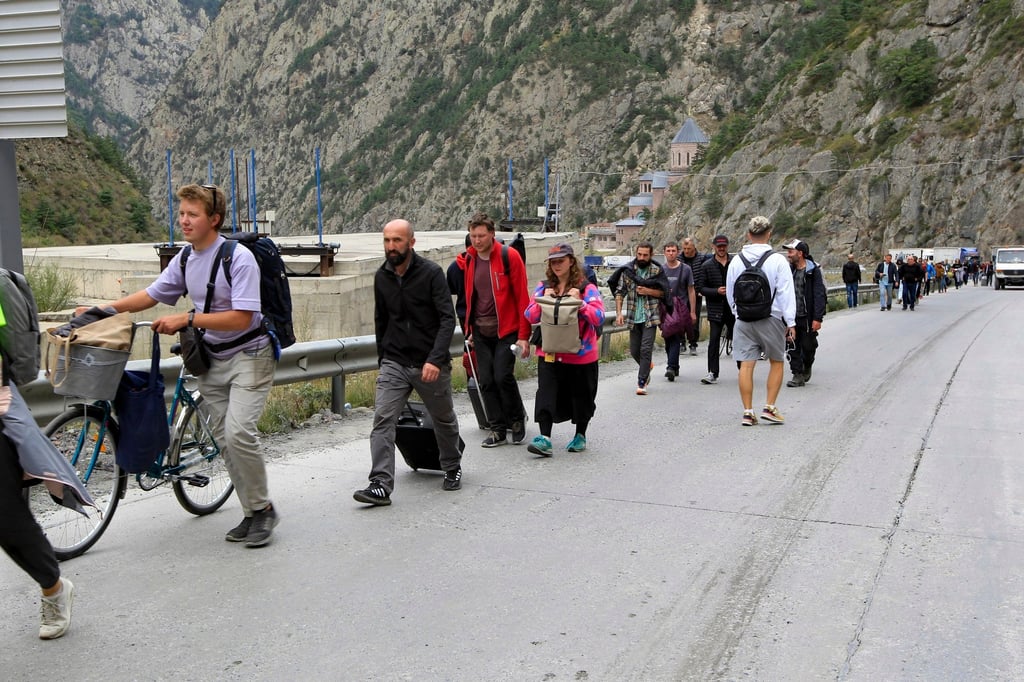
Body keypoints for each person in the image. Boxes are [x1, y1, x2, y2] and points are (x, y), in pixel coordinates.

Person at [99, 184, 279, 547]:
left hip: (250, 356)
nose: (183, 220)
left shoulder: (238, 257)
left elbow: (243, 318)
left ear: (213, 219)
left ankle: (265, 512)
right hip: (211, 360)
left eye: (192, 214)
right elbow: (151, 295)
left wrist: (189, 319)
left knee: (238, 433)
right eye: (181, 213)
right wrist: (104, 310)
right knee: (227, 443)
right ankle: (252, 511)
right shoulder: (185, 258)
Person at [354, 219, 463, 505]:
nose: (391, 246)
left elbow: (446, 319)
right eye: (387, 240)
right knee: (383, 420)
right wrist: (384, 358)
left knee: (443, 418)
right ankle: (380, 483)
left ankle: (451, 465)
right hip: (396, 362)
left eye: (397, 240)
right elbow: (382, 321)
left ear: (411, 243)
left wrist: (435, 360)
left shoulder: (431, 274)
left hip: (430, 362)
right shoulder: (382, 277)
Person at [457, 213, 531, 447]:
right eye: (473, 235)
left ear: (492, 235)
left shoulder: (509, 257)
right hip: (479, 331)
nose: (477, 240)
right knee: (485, 380)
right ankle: (497, 428)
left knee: (502, 376)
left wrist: (523, 336)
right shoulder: (470, 260)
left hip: (506, 330)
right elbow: (470, 297)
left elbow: (522, 297)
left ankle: (517, 420)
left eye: (481, 235)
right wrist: (469, 329)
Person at [523, 243, 605, 456]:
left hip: (581, 355)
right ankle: (545, 438)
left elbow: (599, 317)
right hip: (550, 353)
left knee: (582, 396)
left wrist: (581, 304)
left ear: (571, 261)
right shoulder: (543, 287)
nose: (557, 264)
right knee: (546, 393)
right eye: (553, 261)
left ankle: (580, 435)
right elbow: (529, 316)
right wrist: (543, 301)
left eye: (561, 260)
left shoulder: (587, 288)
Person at [725, 216, 795, 426]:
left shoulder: (737, 260)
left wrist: (737, 313)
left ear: (748, 235)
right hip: (770, 317)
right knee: (776, 361)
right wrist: (790, 322)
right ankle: (769, 407)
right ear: (769, 234)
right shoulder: (777, 260)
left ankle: (748, 412)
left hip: (744, 319)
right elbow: (785, 293)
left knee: (746, 366)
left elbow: (730, 292)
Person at [614, 242, 670, 395]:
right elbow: (619, 292)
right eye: (639, 254)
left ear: (651, 255)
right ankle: (647, 367)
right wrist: (619, 313)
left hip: (650, 317)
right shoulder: (628, 271)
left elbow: (664, 293)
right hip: (633, 316)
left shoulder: (657, 271)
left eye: (645, 255)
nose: (642, 257)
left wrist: (648, 291)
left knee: (645, 349)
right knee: (634, 351)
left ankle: (642, 381)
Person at [782, 239, 827, 388]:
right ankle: (797, 374)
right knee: (792, 345)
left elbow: (819, 294)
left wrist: (817, 318)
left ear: (800, 253)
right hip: (791, 317)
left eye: (791, 251)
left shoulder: (813, 271)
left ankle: (807, 365)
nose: (788, 254)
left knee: (808, 346)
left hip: (807, 317)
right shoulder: (788, 270)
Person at [696, 234, 735, 384]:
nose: (721, 248)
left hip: (733, 309)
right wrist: (716, 291)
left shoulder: (736, 263)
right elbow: (700, 288)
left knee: (739, 341)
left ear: (727, 246)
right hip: (715, 309)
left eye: (724, 246)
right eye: (719, 246)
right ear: (713, 247)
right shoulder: (706, 266)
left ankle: (743, 370)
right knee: (713, 341)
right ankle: (712, 372)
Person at [659, 241, 696, 382]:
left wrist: (692, 311)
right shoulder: (661, 269)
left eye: (673, 250)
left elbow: (691, 290)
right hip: (664, 308)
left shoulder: (686, 269)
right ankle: (675, 365)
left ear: (678, 252)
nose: (671, 253)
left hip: (680, 309)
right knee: (668, 337)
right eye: (668, 250)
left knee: (674, 336)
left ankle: (671, 367)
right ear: (664, 252)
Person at [680, 237, 710, 355]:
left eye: (689, 248)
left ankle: (693, 343)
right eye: (685, 248)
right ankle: (682, 342)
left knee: (694, 319)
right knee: (681, 319)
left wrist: (702, 288)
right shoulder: (679, 259)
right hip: (682, 294)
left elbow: (705, 274)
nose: (687, 251)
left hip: (696, 293)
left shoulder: (702, 259)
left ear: (694, 248)